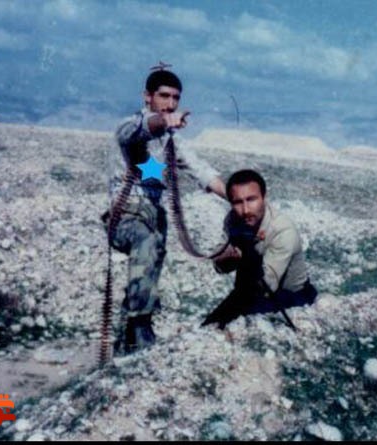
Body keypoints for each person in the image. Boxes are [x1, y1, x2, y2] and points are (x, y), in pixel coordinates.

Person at [106, 64, 226, 353]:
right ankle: (139, 329)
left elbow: (201, 171)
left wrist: (237, 197)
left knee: (152, 260)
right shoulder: (129, 126)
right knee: (146, 242)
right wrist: (164, 121)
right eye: (164, 96)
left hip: (153, 216)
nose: (171, 103)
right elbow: (140, 130)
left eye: (175, 98)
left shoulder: (172, 141)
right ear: (147, 96)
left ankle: (130, 334)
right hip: (126, 216)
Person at [202, 169, 317, 329]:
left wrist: (245, 255)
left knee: (231, 331)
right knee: (208, 327)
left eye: (251, 199)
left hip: (291, 298)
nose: (245, 210)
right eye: (237, 202)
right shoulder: (233, 219)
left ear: (264, 197)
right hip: (248, 290)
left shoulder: (283, 230)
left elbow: (267, 286)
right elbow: (220, 266)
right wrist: (228, 258)